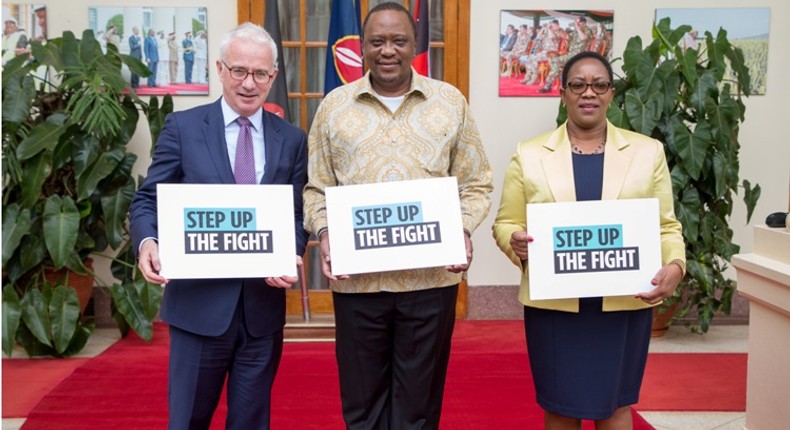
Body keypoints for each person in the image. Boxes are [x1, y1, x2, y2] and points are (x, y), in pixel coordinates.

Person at [303, 3, 493, 429]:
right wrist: (327, 232)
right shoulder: (335, 106)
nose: (388, 50)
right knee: (362, 405)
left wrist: (461, 229)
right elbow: (315, 189)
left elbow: (476, 182)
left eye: (399, 41)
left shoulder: (450, 102)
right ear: (363, 47)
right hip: (358, 284)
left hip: (429, 281)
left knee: (418, 408)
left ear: (413, 45)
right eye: (377, 41)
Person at [492, 51, 686, 429]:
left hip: (623, 302)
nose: (588, 93)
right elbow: (507, 221)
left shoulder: (647, 153)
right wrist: (513, 240)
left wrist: (676, 265)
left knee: (615, 405)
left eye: (599, 85)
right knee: (560, 404)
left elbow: (666, 226)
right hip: (555, 304)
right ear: (563, 94)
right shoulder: (529, 154)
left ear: (611, 94)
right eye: (578, 85)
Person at [129, 22, 308, 430]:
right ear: (220, 69)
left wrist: (291, 250)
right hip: (198, 310)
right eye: (239, 71)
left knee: (251, 422)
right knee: (189, 420)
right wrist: (148, 242)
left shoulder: (292, 139)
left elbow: (295, 213)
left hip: (261, 314)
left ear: (273, 77)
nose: (249, 83)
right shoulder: (184, 129)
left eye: (260, 73)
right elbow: (147, 199)